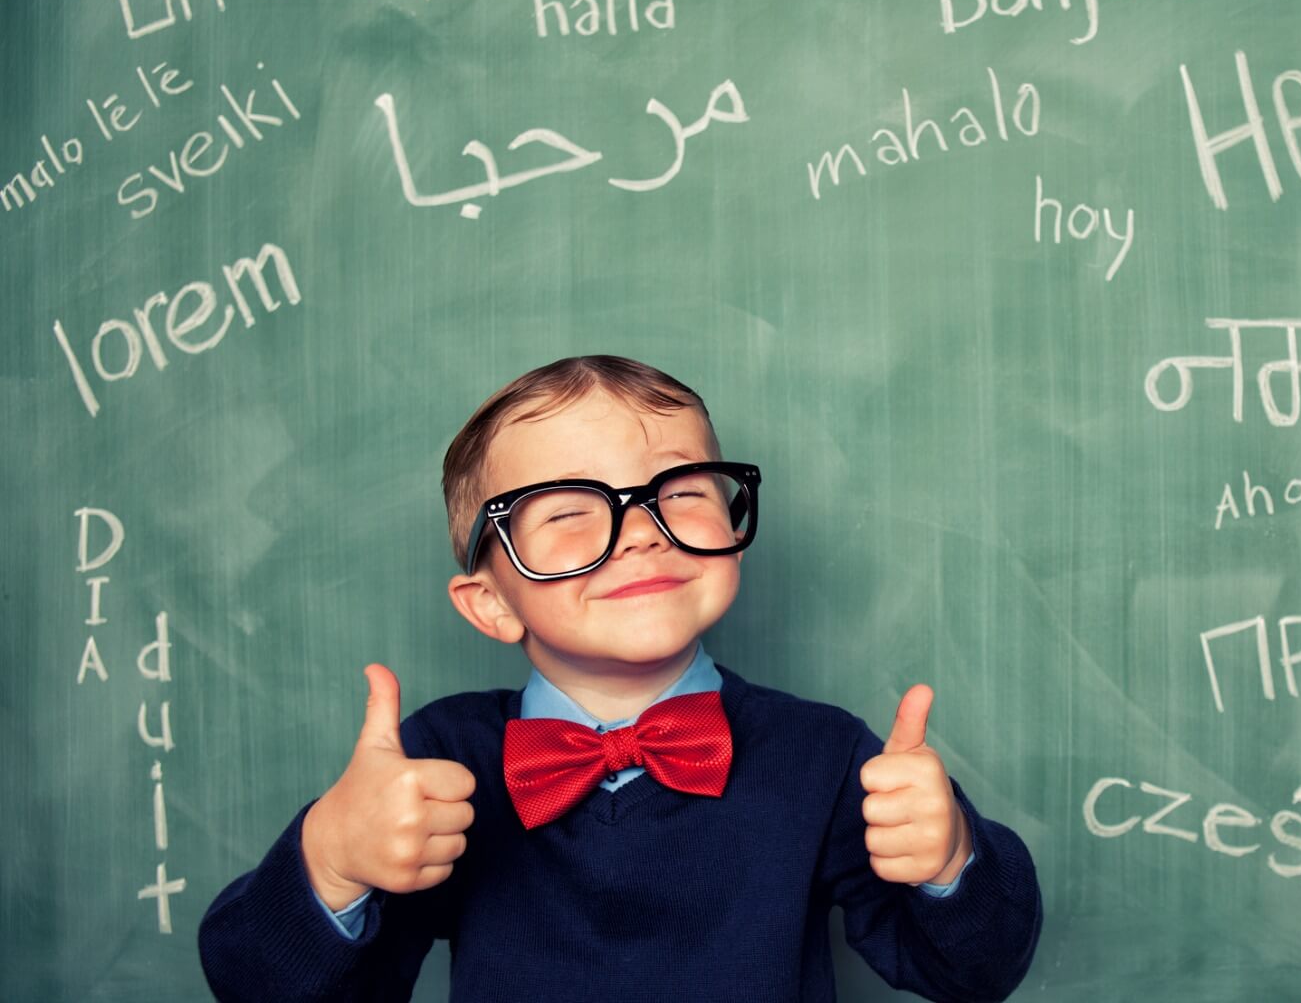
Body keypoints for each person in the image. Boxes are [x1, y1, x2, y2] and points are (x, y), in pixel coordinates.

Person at [198, 355, 1043, 1002]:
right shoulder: (435, 763)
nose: (641, 532)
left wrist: (951, 863)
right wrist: (331, 863)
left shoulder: (822, 754)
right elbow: (265, 989)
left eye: (679, 491)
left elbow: (971, 975)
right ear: (491, 604)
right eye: (568, 509)